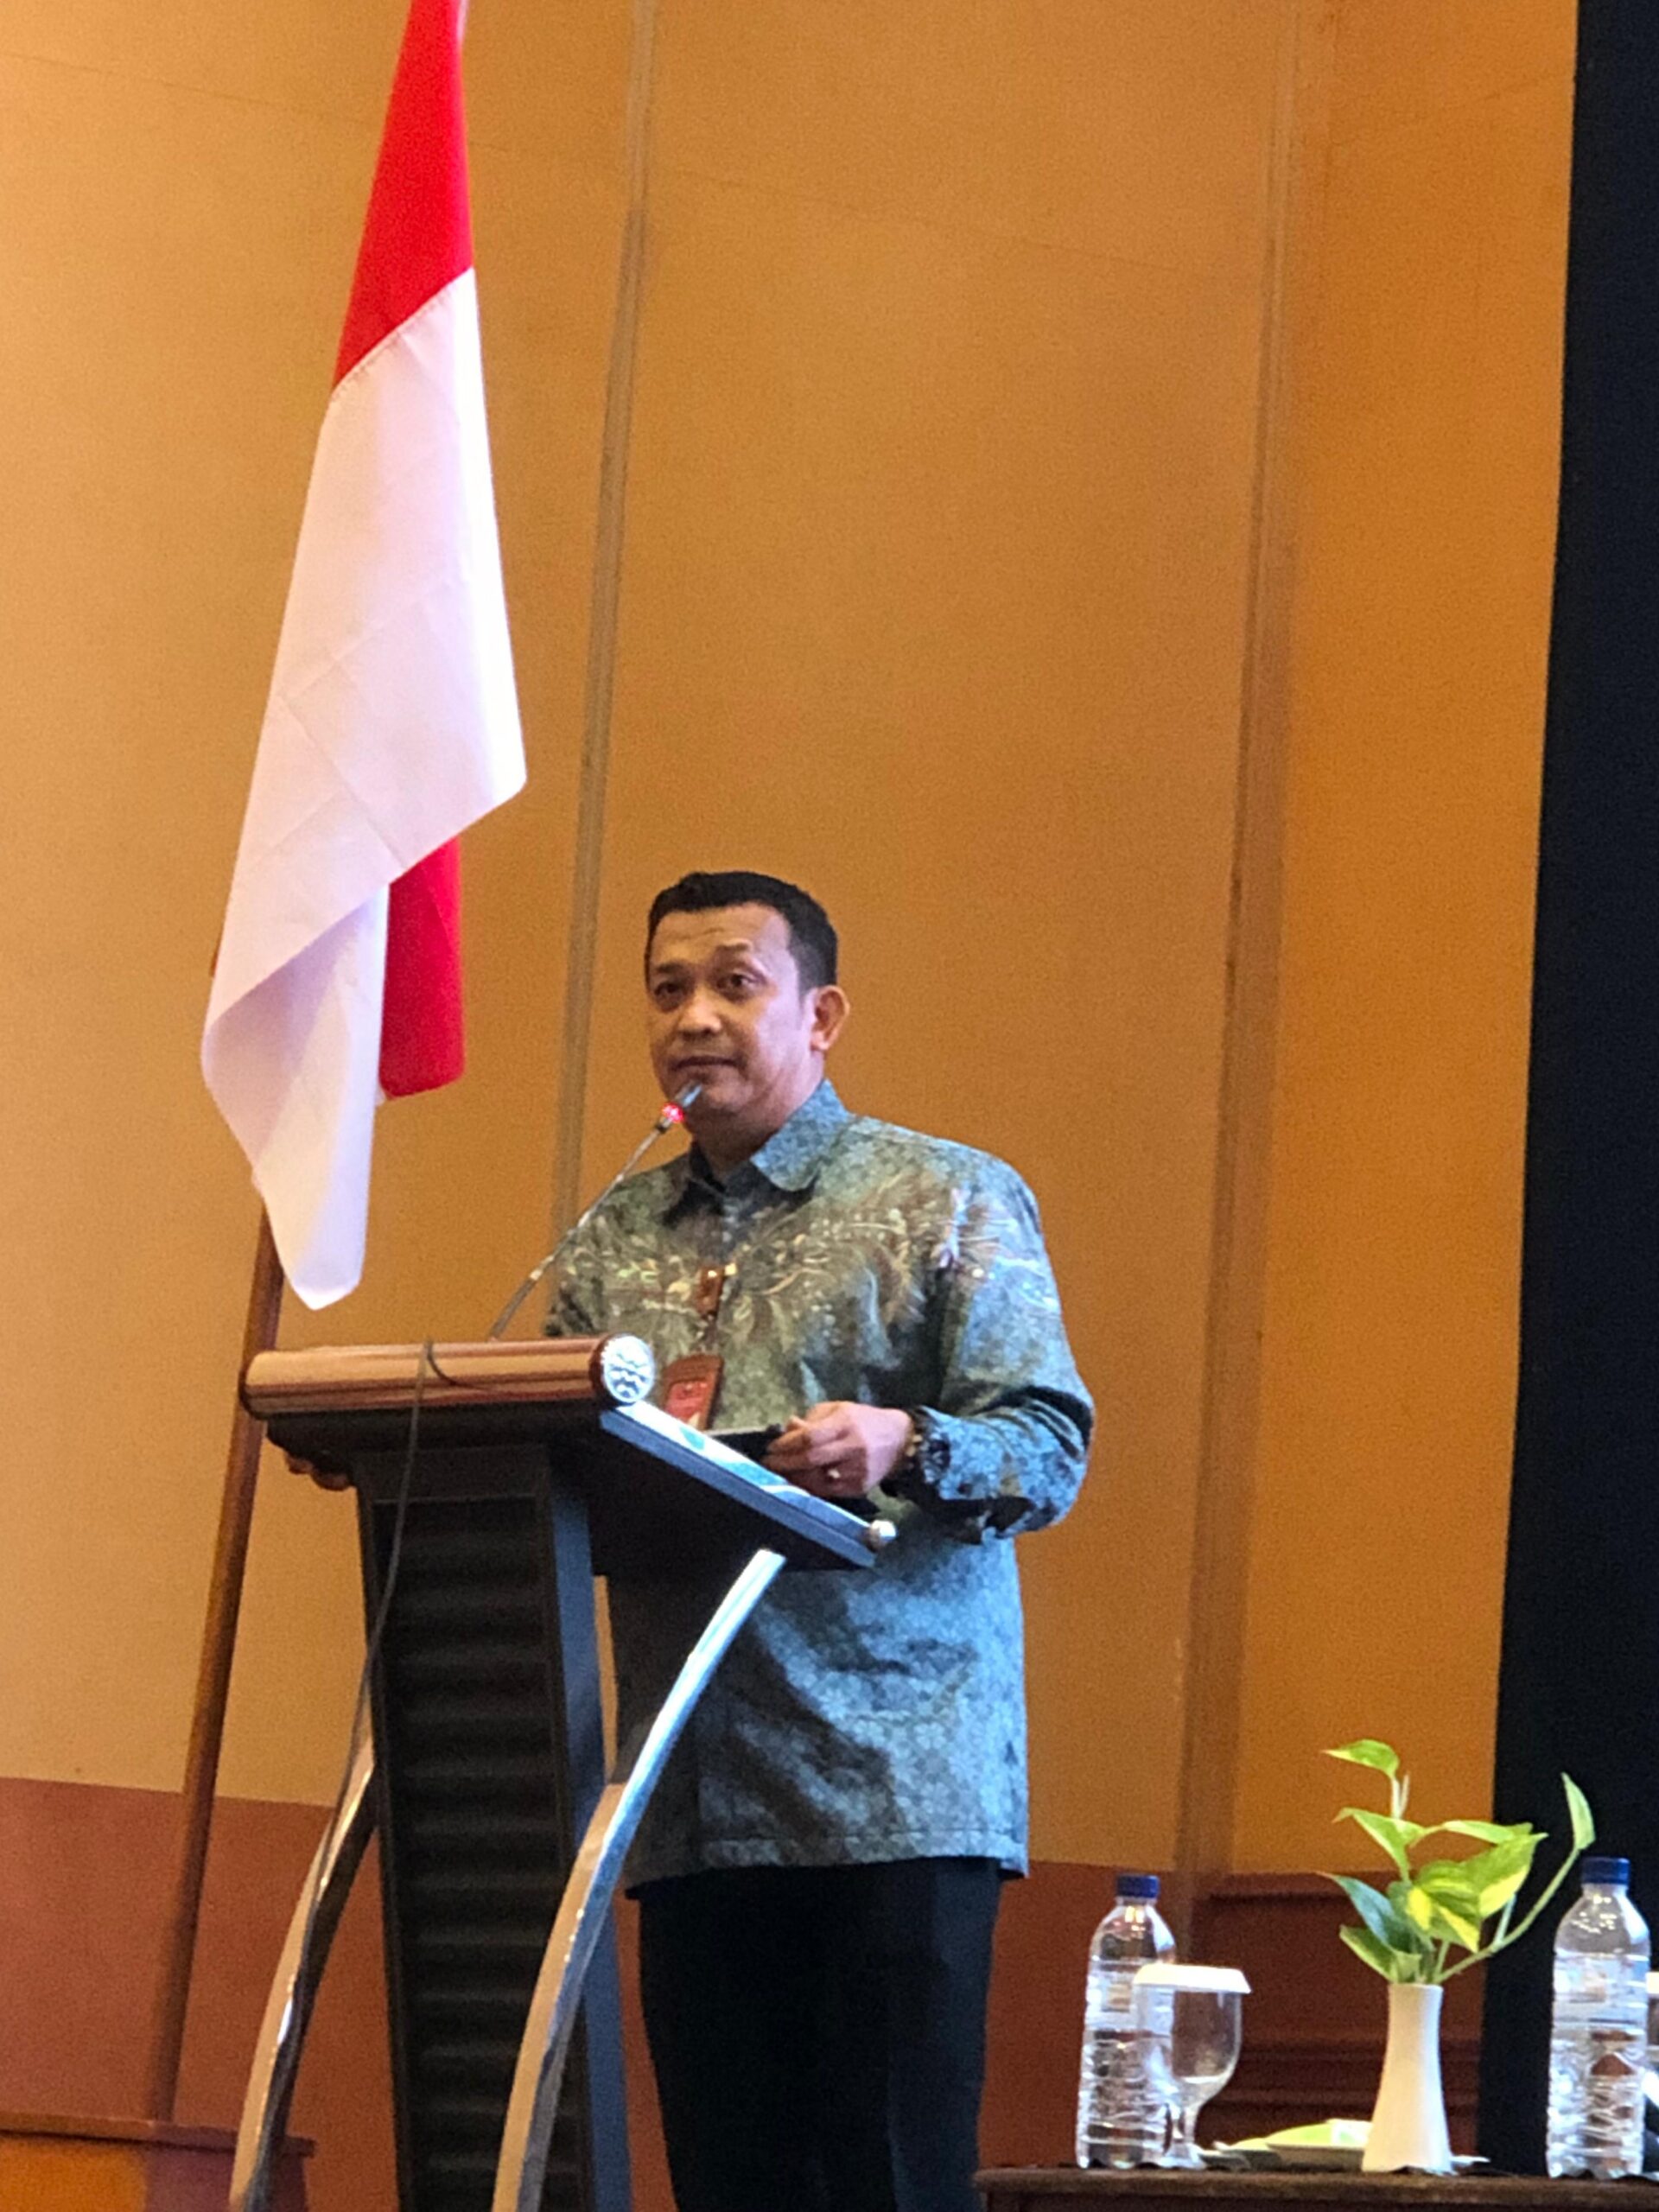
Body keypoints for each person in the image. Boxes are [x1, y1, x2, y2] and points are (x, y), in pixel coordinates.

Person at [550, 869, 1093, 2212]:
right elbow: (559, 1461)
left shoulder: (944, 1196)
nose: (694, 1018)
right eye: (668, 990)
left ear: (822, 1015)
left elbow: (1050, 1447)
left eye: (734, 984)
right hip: (695, 1797)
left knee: (888, 2187)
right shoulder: (611, 1240)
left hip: (892, 1794)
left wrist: (906, 1440)